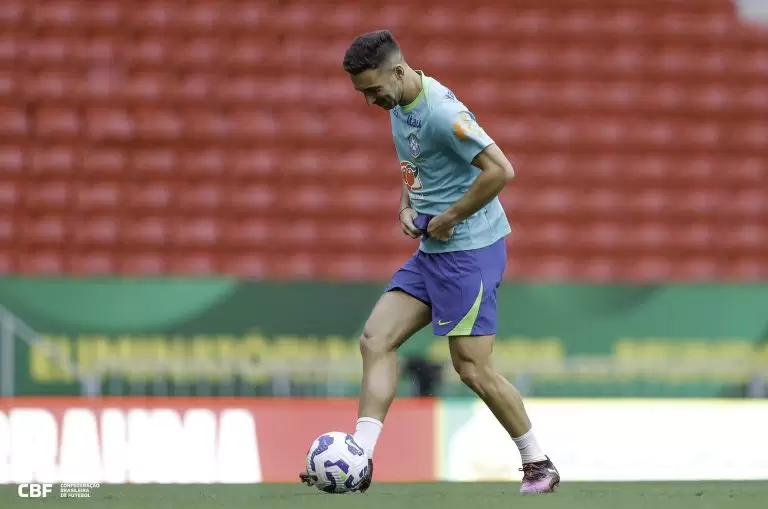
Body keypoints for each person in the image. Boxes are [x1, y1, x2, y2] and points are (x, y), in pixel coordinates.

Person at [300, 29, 560, 494]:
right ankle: (360, 457)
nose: (369, 101)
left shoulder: (442, 113)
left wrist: (451, 216)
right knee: (375, 339)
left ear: (398, 72)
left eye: (373, 90)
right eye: (363, 93)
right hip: (432, 251)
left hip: (469, 252)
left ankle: (537, 462)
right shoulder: (400, 104)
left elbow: (502, 169)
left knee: (472, 368)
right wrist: (406, 204)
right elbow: (414, 166)